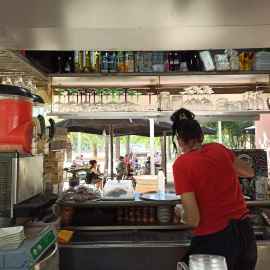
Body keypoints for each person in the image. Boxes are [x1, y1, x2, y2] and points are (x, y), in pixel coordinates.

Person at [171, 108, 257, 270]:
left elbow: (193, 219)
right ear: (202, 136)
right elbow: (249, 172)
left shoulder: (182, 164)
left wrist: (180, 210)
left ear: (180, 142)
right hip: (245, 234)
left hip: (214, 239)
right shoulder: (219, 149)